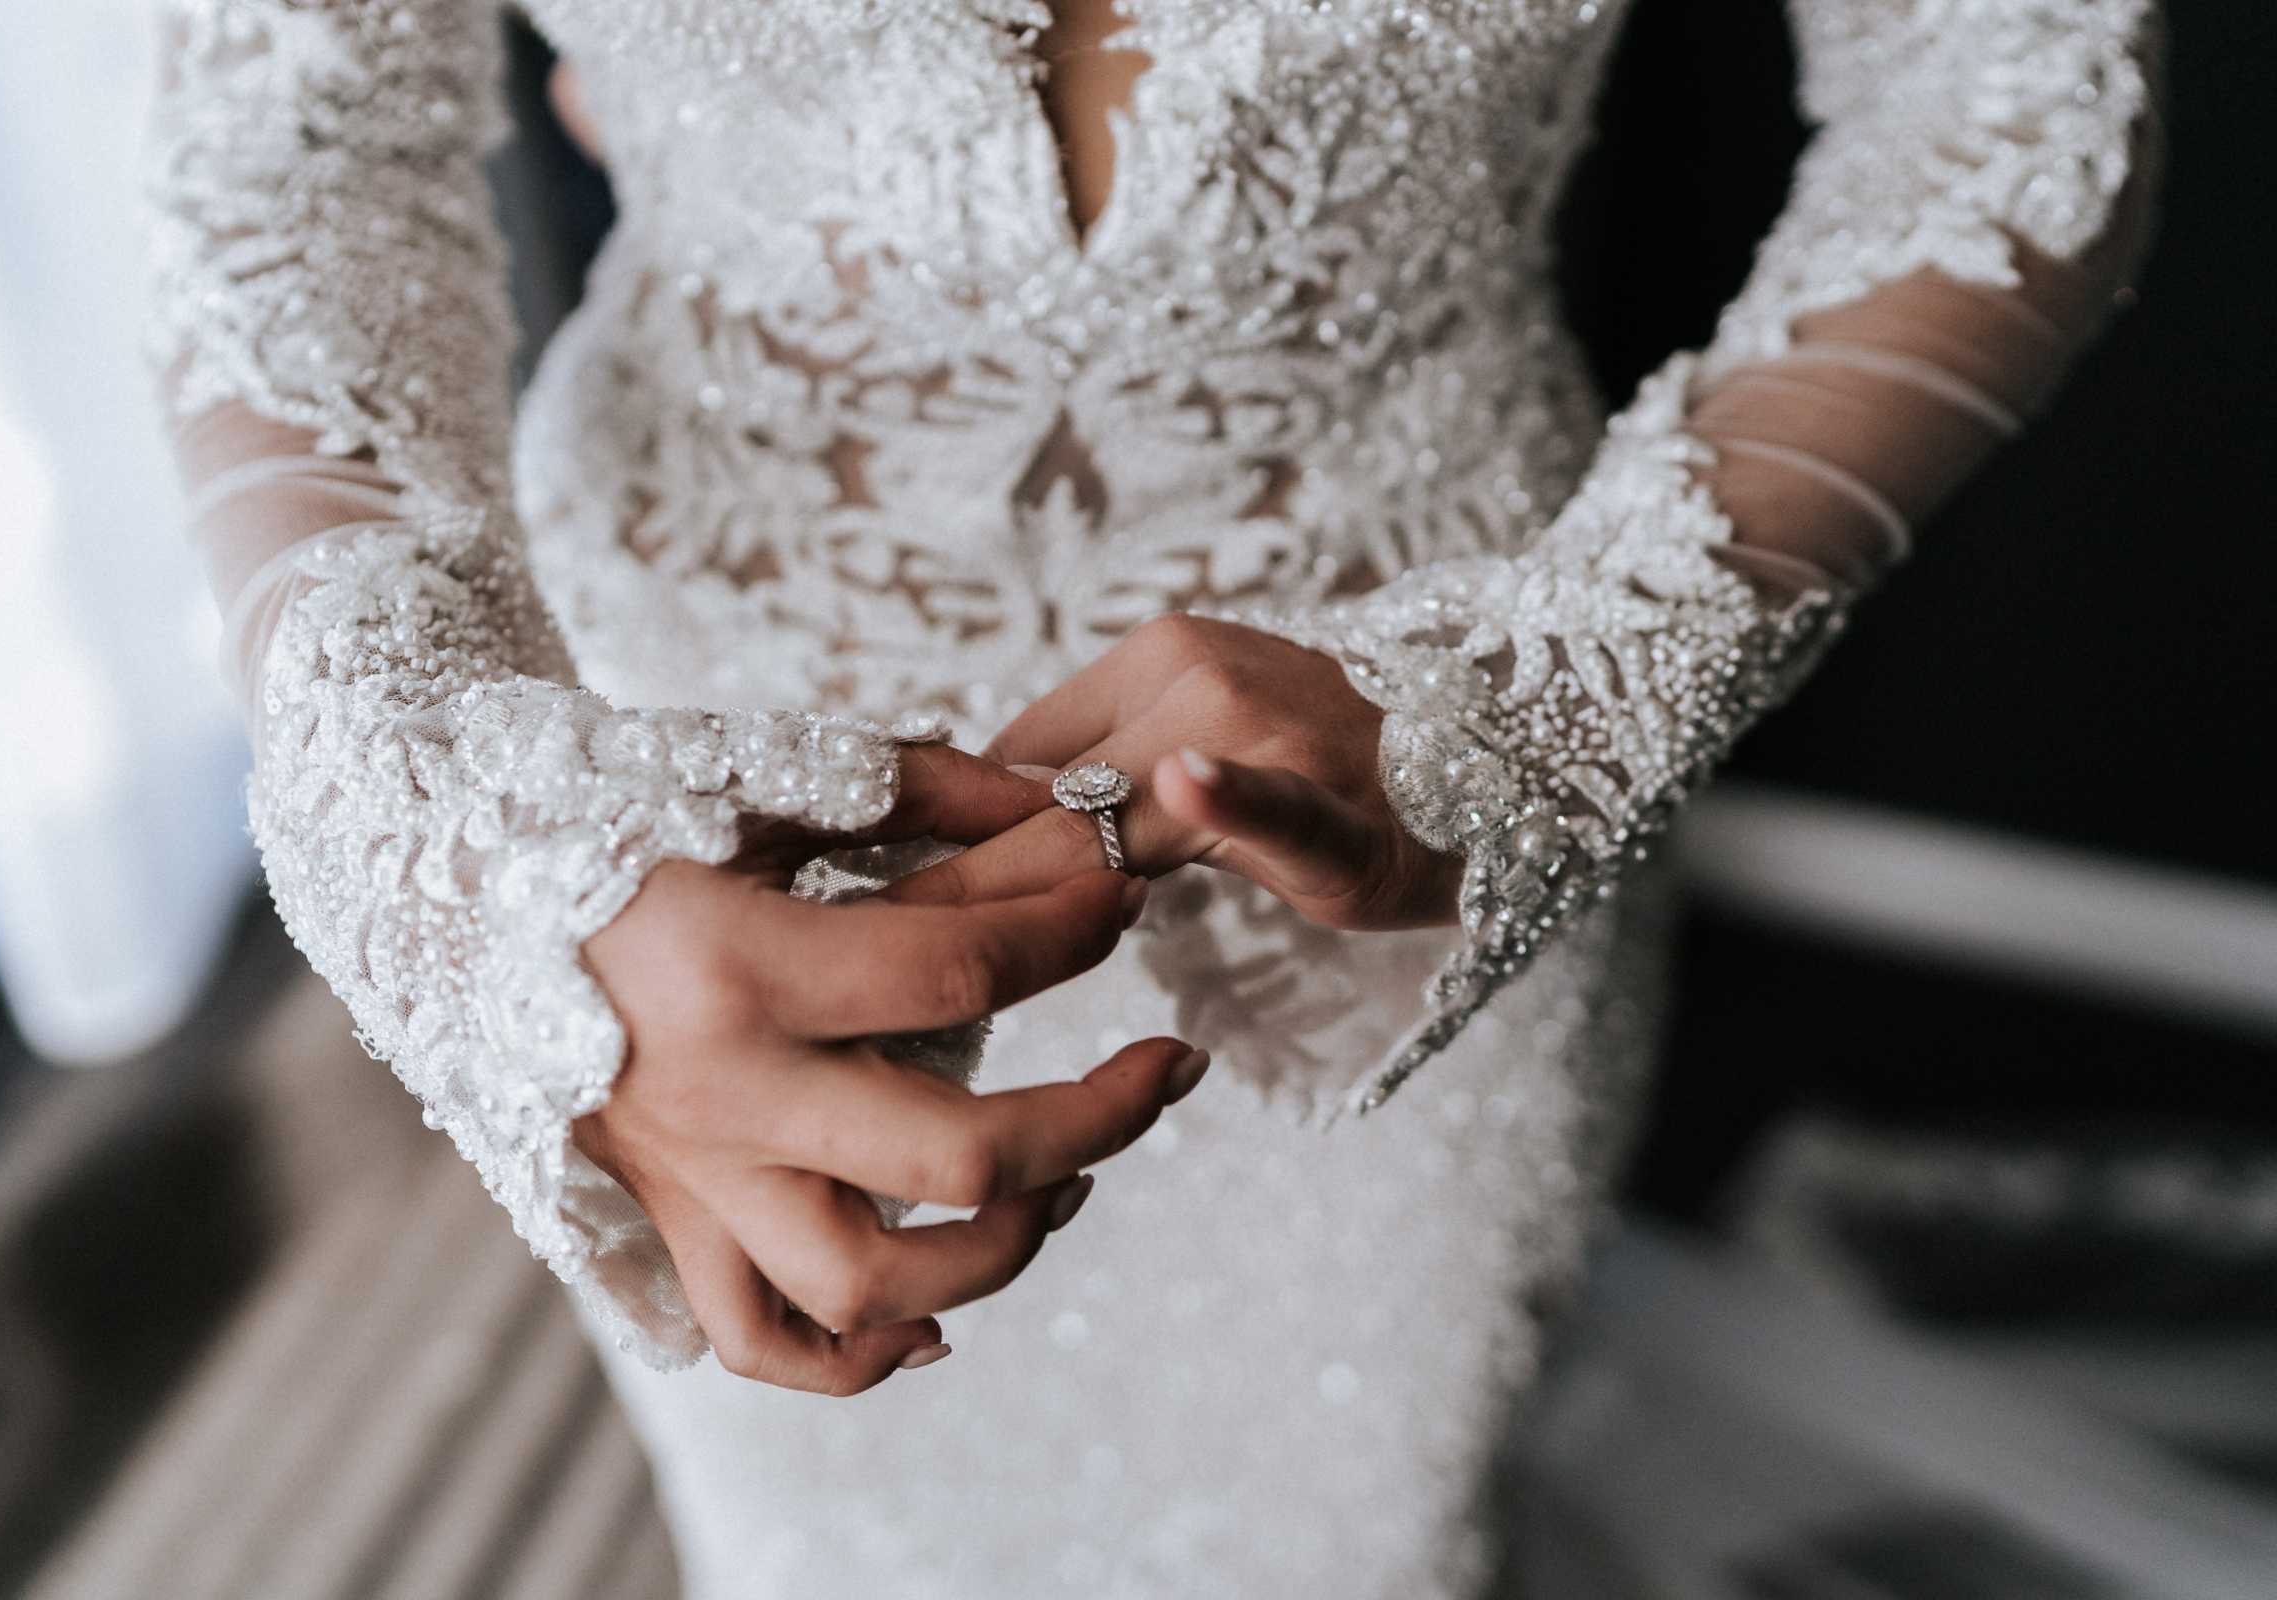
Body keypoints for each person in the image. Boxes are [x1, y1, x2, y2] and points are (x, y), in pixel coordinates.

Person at [143, 0, 2163, 1592]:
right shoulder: (597, 887)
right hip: (688, 835)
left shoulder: (1509, 717)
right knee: (833, 1539)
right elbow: (291, 144)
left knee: (1359, 1530)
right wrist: (470, 850)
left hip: (1432, 772)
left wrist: (1555, 688)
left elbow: (2014, 89)